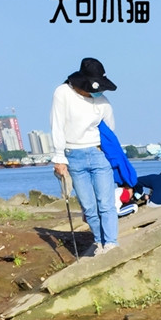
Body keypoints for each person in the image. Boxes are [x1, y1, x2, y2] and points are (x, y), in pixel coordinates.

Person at [50, 57, 120, 256]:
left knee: (106, 203)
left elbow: (110, 130)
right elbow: (57, 126)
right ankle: (99, 242)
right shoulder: (62, 93)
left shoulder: (103, 101)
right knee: (89, 206)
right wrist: (59, 158)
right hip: (74, 155)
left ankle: (111, 243)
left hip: (99, 154)